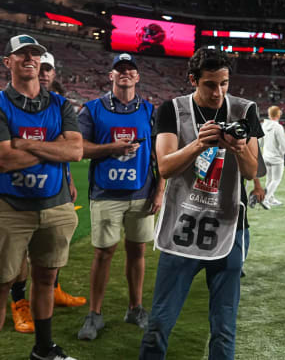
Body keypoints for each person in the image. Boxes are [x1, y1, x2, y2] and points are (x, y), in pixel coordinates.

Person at [138, 47, 263, 360]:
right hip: (183, 224)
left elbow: (251, 171)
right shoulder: (172, 109)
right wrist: (198, 143)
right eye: (210, 84)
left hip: (231, 225)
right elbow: (164, 167)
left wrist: (236, 147)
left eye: (224, 83)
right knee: (160, 320)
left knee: (224, 324)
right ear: (193, 80)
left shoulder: (245, 109)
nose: (218, 92)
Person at [0, 34, 82, 359]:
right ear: (8, 62)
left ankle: (44, 351)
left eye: (34, 54)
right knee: (2, 284)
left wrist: (25, 144)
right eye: (21, 54)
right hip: (10, 206)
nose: (29, 59)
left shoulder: (61, 104)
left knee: (46, 279)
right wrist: (53, 147)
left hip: (55, 205)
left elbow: (75, 151)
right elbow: (4, 159)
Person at [76, 53, 165, 340]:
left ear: (138, 77)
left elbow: (159, 154)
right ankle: (95, 314)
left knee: (137, 251)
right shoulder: (92, 109)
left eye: (130, 70)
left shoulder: (150, 110)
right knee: (103, 253)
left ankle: (135, 308)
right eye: (120, 69)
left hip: (141, 192)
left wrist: (160, 190)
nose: (125, 73)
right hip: (105, 193)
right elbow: (77, 148)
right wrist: (110, 148)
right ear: (111, 75)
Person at [259, 106, 285, 206]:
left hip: (266, 157)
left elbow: (260, 142)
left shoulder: (263, 125)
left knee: (269, 180)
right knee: (276, 180)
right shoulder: (278, 127)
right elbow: (283, 144)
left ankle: (271, 199)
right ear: (278, 115)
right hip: (276, 159)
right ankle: (265, 199)